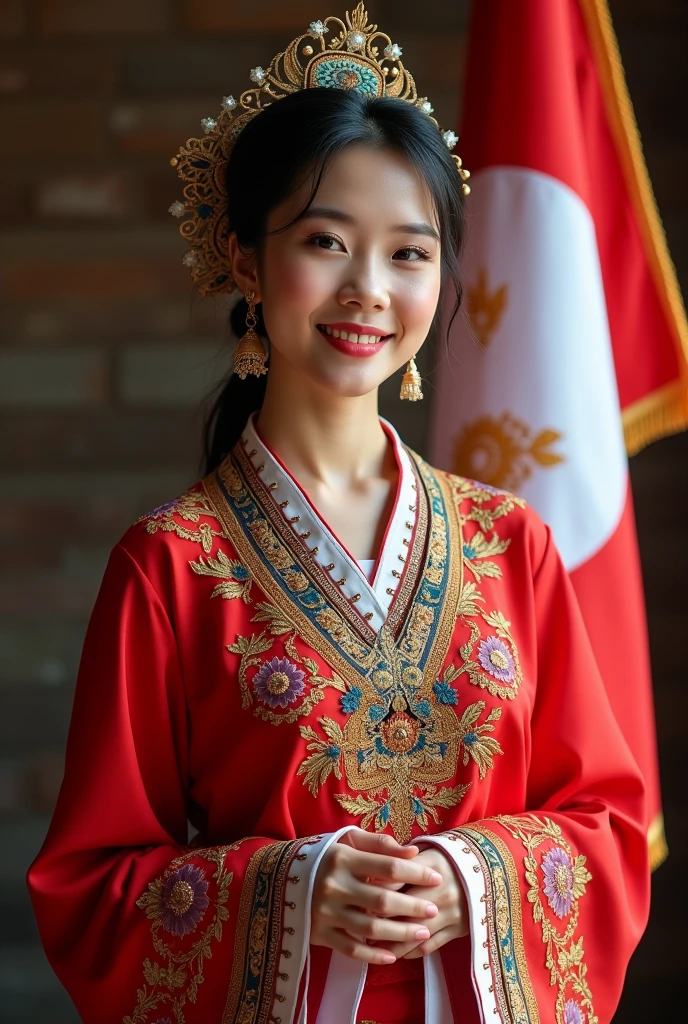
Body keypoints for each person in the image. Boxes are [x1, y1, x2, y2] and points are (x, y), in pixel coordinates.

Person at [27, 6, 649, 1023]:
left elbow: (608, 825)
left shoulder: (509, 542)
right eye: (325, 241)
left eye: (409, 253)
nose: (368, 290)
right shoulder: (171, 565)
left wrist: (472, 878)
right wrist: (294, 889)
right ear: (243, 260)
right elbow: (90, 890)